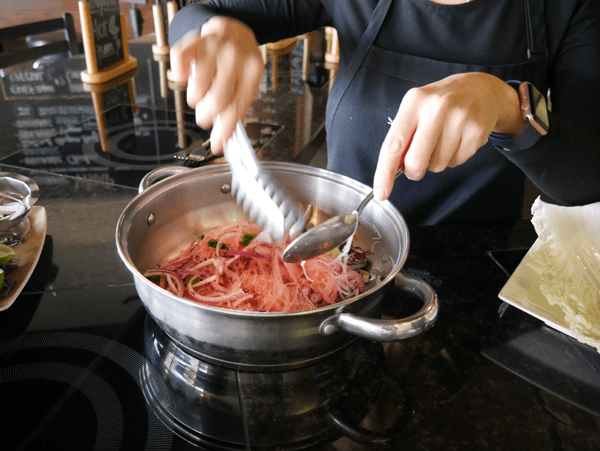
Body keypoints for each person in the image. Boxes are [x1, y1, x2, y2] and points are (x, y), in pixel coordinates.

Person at [168, 0, 600, 227]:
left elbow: (588, 178)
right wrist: (213, 33)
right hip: (346, 255)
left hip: (476, 273)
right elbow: (197, 13)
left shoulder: (570, 6)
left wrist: (508, 107)